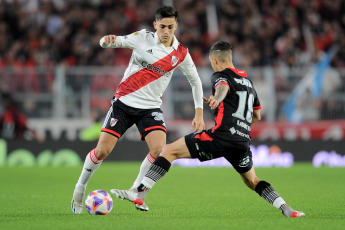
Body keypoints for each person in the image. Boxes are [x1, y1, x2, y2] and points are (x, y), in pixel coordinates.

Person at [110, 41, 305, 218]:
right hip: (241, 142)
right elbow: (257, 116)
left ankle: (140, 193)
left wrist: (217, 98)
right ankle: (285, 207)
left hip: (220, 137)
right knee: (252, 181)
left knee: (168, 151)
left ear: (215, 60)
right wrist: (240, 128)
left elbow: (222, 87)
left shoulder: (220, 76)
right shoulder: (249, 84)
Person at [71, 6, 204, 214]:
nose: (166, 31)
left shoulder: (181, 53)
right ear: (155, 25)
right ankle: (80, 188)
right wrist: (106, 41)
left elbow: (195, 81)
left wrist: (199, 112)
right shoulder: (143, 38)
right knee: (102, 151)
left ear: (176, 26)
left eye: (170, 26)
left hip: (150, 107)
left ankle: (136, 190)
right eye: (162, 27)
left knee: (159, 150)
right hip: (123, 103)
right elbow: (117, 41)